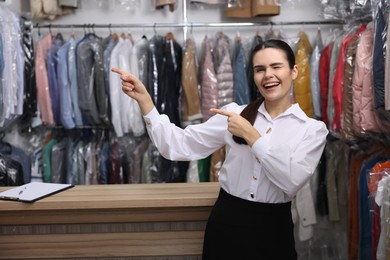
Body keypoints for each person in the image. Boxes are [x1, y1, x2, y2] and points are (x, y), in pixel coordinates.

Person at [112, 39, 328, 260]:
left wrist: (252, 136)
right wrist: (146, 102)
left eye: (276, 67)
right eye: (260, 69)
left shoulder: (312, 130)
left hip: (273, 229)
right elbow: (178, 145)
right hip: (227, 223)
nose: (268, 75)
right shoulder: (234, 114)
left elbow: (292, 180)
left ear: (294, 71)